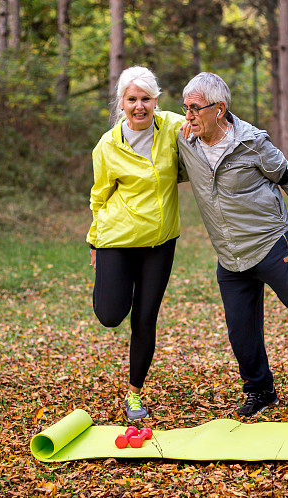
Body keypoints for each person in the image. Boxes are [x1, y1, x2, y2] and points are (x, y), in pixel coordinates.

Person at [177, 72, 288, 418]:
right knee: (241, 332)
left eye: (193, 108)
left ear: (218, 110)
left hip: (269, 241)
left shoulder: (251, 142)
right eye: (184, 107)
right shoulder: (185, 142)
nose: (187, 116)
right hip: (230, 256)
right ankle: (261, 391)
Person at [86, 66, 184, 421]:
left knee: (146, 317)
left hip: (159, 242)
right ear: (121, 103)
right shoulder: (108, 146)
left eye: (145, 99)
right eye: (132, 99)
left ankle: (135, 394)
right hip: (118, 239)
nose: (139, 106)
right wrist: (95, 243)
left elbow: (206, 121)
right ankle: (111, 287)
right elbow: (99, 197)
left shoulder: (173, 127)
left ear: (156, 101)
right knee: (111, 314)